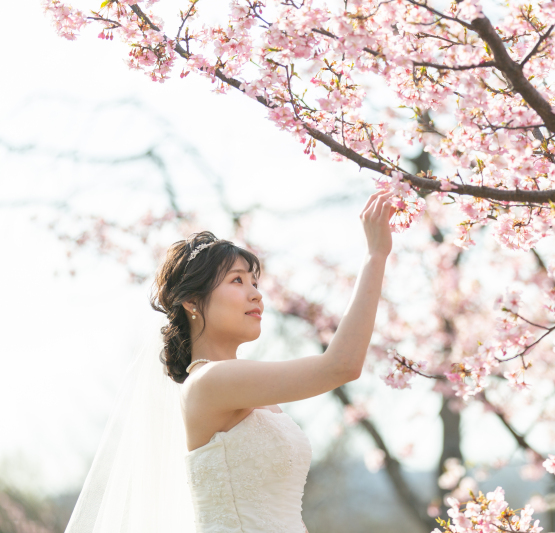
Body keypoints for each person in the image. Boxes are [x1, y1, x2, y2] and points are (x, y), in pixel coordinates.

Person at [64, 191, 395, 533]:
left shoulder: (245, 387)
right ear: (192, 301)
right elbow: (340, 365)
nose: (256, 293)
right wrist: (375, 256)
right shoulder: (210, 382)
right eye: (237, 280)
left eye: (255, 281)